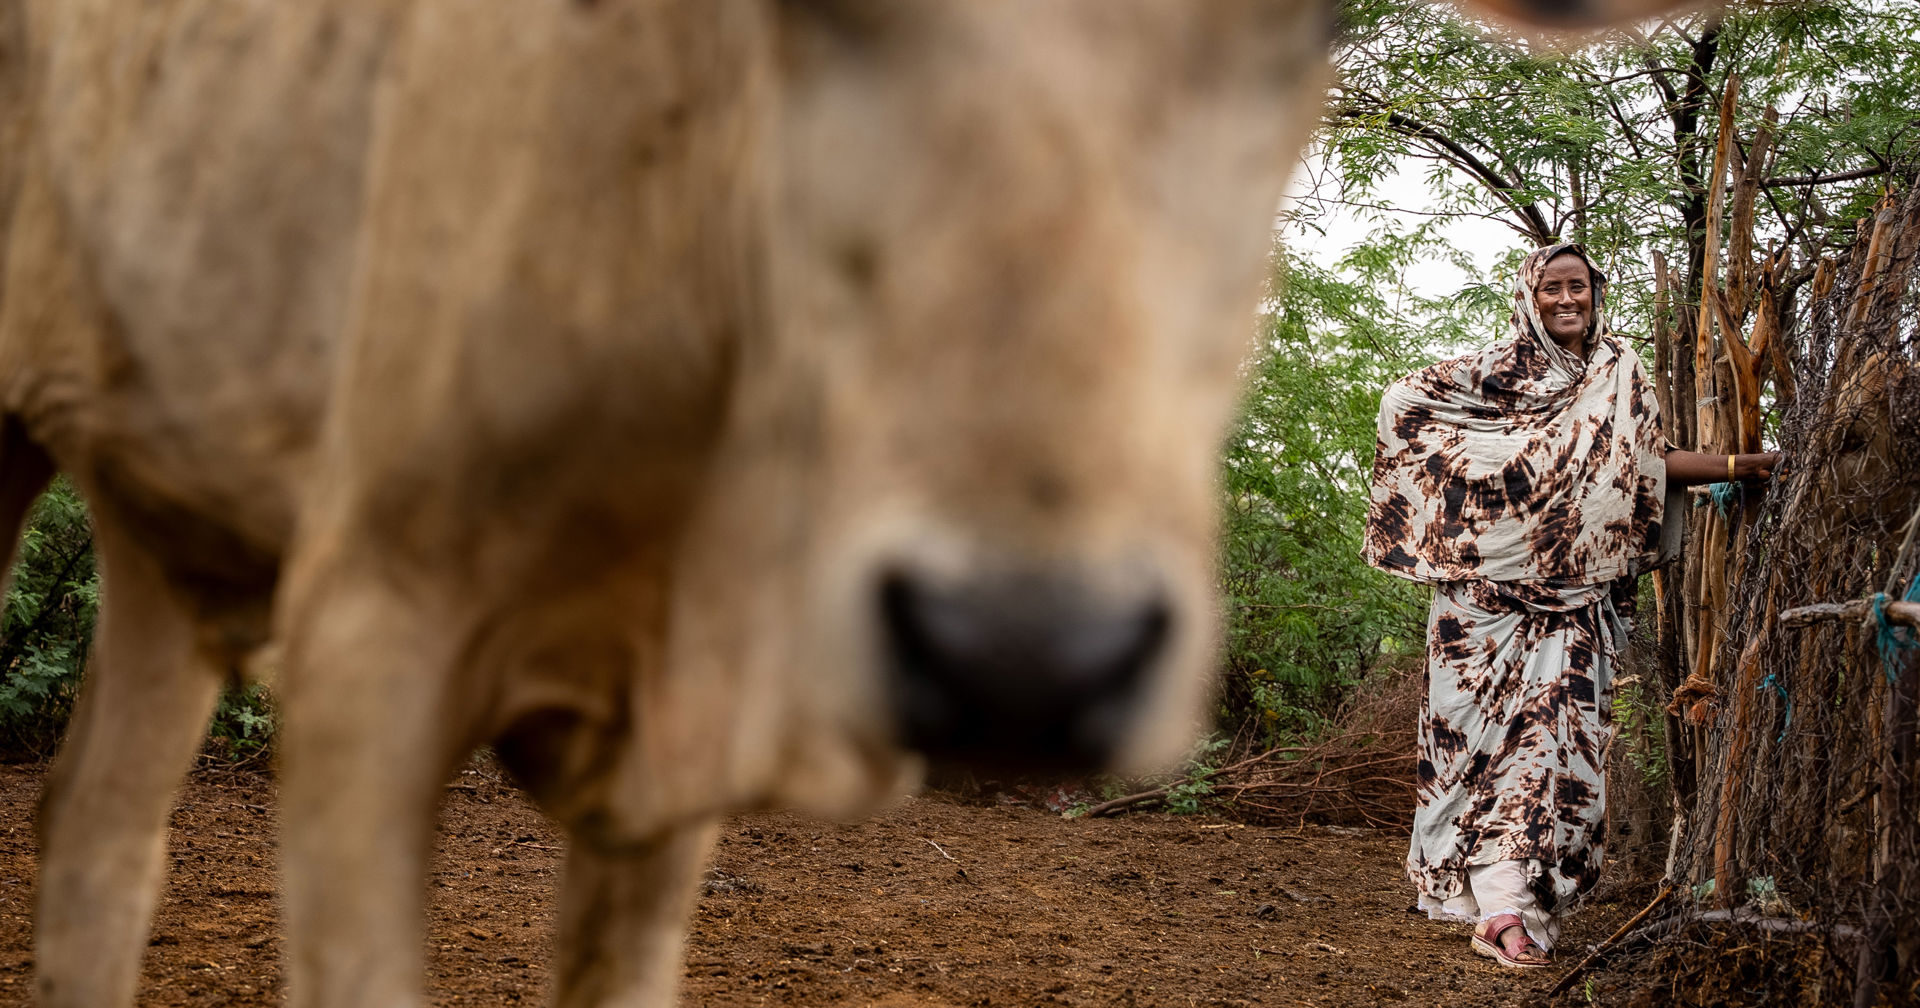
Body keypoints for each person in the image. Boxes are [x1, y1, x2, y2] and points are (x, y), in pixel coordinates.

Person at [1362, 243, 1779, 969]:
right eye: (1551, 287)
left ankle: (1519, 909)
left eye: (1577, 287)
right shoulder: (1490, 374)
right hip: (1481, 609)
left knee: (1555, 755)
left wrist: (1743, 467)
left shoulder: (1618, 372)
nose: (1565, 300)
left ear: (1595, 292)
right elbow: (1403, 407)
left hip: (1574, 605)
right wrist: (1490, 503)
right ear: (1529, 294)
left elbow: (1646, 462)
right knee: (1480, 757)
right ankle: (1501, 911)